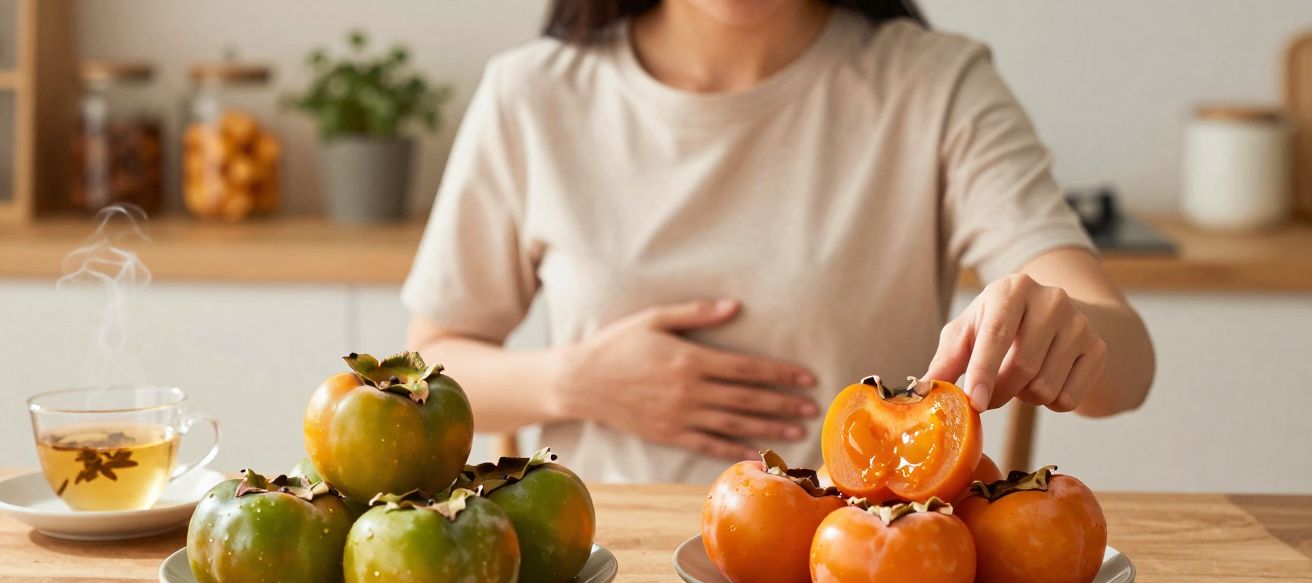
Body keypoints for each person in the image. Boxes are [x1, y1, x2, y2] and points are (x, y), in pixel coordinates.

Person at [402, 0, 1155, 484]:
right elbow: (429, 372)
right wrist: (572, 380)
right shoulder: (530, 94)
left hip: (865, 576)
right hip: (600, 575)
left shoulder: (938, 85)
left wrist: (1062, 328)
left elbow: (1128, 371)